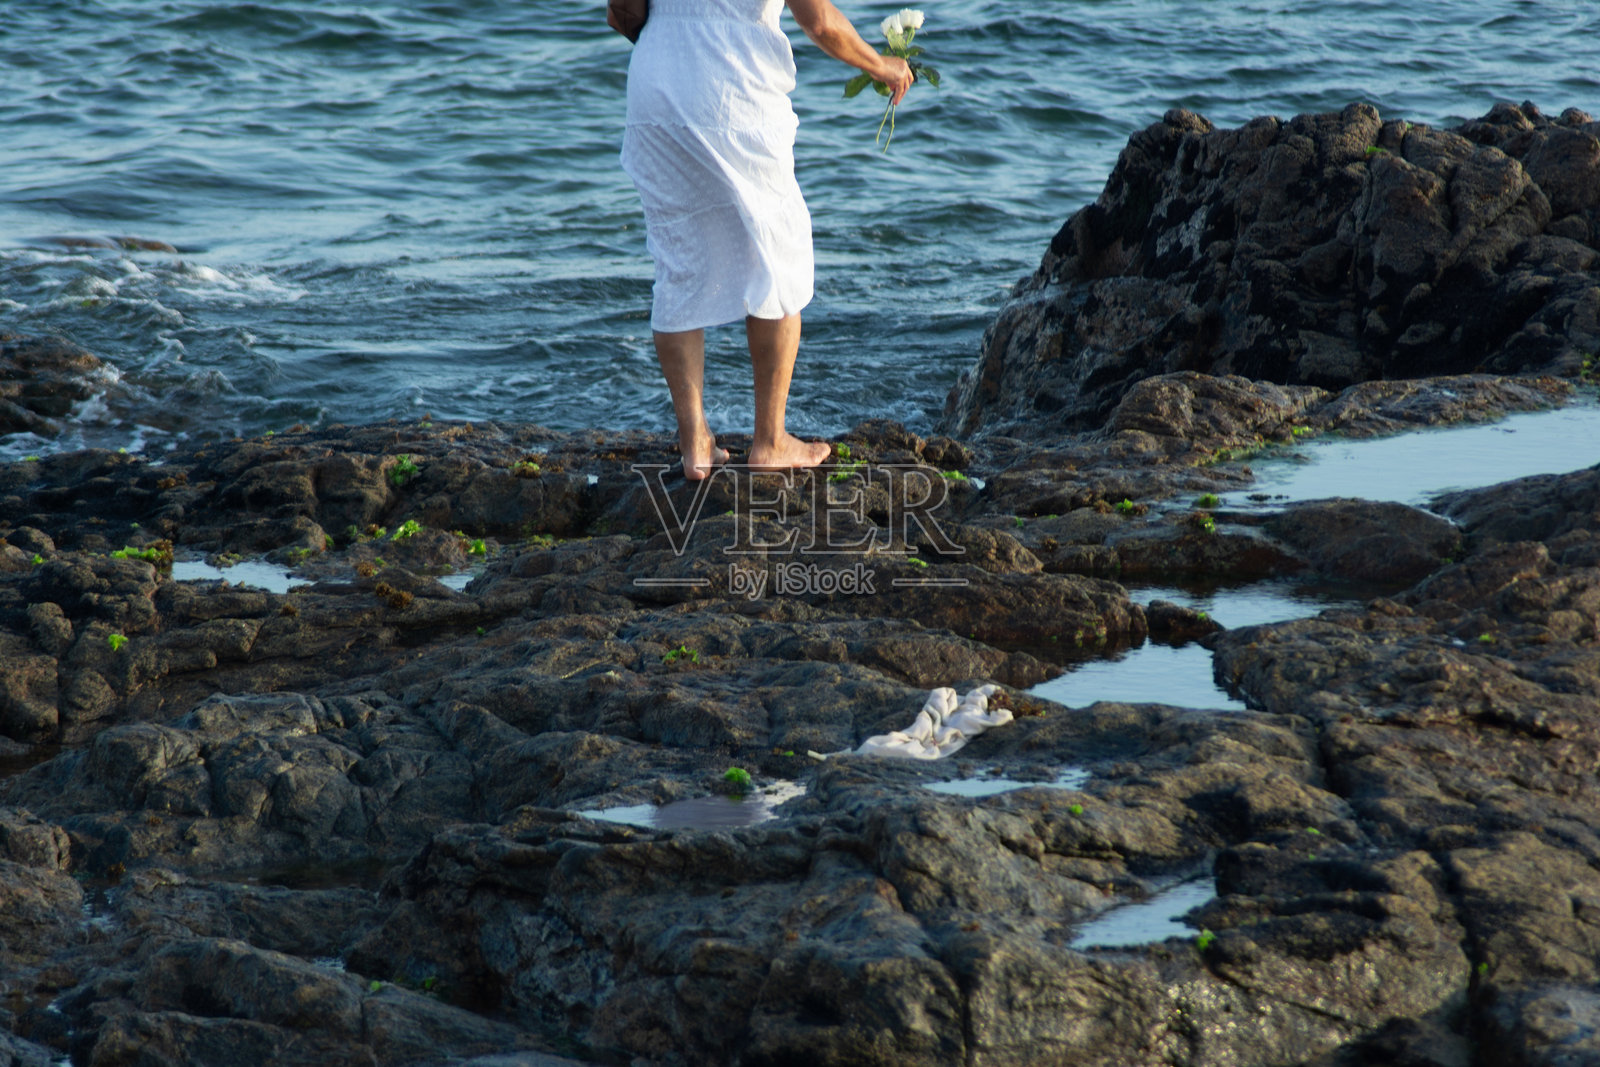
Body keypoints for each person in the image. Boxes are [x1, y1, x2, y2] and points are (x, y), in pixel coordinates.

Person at [622, 0, 913, 479]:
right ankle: (771, 441)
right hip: (732, 85)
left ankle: (694, 441)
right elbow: (819, 21)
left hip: (655, 81)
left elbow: (622, 12)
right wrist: (883, 66)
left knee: (678, 261)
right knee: (779, 255)